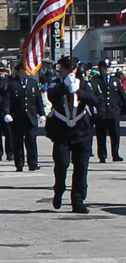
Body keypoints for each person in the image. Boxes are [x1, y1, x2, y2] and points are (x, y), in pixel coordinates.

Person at [45, 56, 98, 214]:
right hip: (62, 133)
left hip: (81, 131)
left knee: (81, 167)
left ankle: (78, 200)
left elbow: (95, 99)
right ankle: (59, 188)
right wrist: (65, 86)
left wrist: (79, 91)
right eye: (65, 68)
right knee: (62, 164)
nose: (67, 71)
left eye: (71, 68)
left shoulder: (84, 84)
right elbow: (52, 97)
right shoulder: (57, 84)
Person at [4, 63, 46, 172]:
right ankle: (19, 163)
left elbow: (38, 100)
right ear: (20, 71)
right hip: (17, 117)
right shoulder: (12, 84)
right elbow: (7, 100)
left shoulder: (33, 83)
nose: (28, 71)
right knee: (17, 142)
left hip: (31, 118)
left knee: (31, 140)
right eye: (25, 69)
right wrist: (6, 112)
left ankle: (33, 163)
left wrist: (41, 113)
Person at [90, 57, 126, 163]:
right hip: (101, 112)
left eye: (108, 68)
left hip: (113, 111)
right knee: (101, 135)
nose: (107, 69)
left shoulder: (116, 80)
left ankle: (115, 154)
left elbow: (122, 96)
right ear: (100, 69)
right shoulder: (96, 81)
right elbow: (93, 96)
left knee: (115, 134)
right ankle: (102, 155)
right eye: (104, 68)